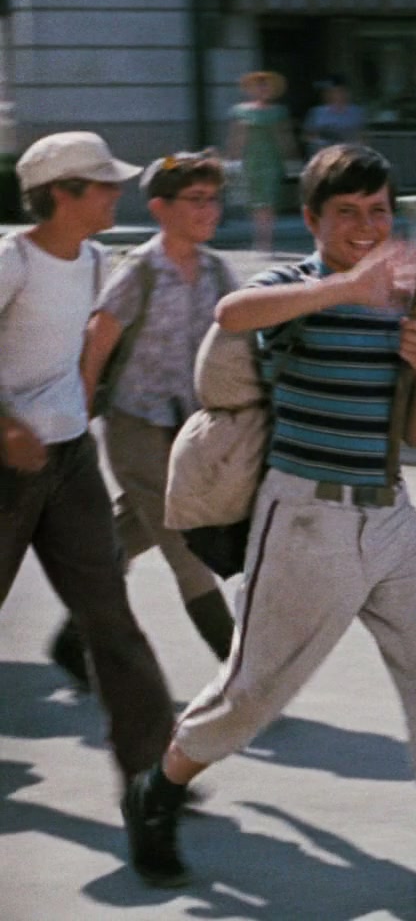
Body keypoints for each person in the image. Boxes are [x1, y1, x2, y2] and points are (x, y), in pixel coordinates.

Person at [121, 144, 416, 917]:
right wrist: (346, 286)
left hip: (391, 513)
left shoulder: (399, 301)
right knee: (251, 693)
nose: (366, 226)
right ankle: (158, 789)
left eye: (377, 211)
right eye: (346, 213)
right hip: (306, 518)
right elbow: (231, 314)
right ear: (312, 219)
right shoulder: (295, 287)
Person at [1, 132, 179, 845]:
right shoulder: (13, 262)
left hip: (70, 461)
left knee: (110, 619)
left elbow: (84, 355)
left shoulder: (97, 260)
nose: (116, 194)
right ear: (61, 193)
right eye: (103, 184)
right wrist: (6, 427)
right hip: (7, 466)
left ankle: (153, 777)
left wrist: (76, 407)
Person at [39, 152, 240, 692]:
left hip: (186, 431)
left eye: (213, 199)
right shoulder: (140, 271)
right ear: (160, 208)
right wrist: (75, 426)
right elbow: (96, 348)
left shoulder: (218, 272)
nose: (209, 209)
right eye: (195, 200)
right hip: (135, 427)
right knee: (185, 548)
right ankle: (243, 674)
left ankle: (72, 636)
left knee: (128, 533)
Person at [228, 70, 299, 255]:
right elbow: (236, 137)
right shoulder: (240, 111)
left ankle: (265, 242)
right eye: (259, 86)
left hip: (271, 160)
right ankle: (259, 239)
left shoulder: (278, 111)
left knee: (268, 200)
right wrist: (233, 159)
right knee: (255, 201)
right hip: (251, 160)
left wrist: (291, 159)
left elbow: (285, 137)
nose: (263, 89)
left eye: (266, 86)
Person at [302, 75, 368, 157]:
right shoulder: (317, 113)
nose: (336, 95)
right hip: (325, 155)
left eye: (340, 91)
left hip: (351, 154)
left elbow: (363, 136)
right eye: (331, 92)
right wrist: (320, 142)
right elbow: (306, 136)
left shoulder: (357, 112)